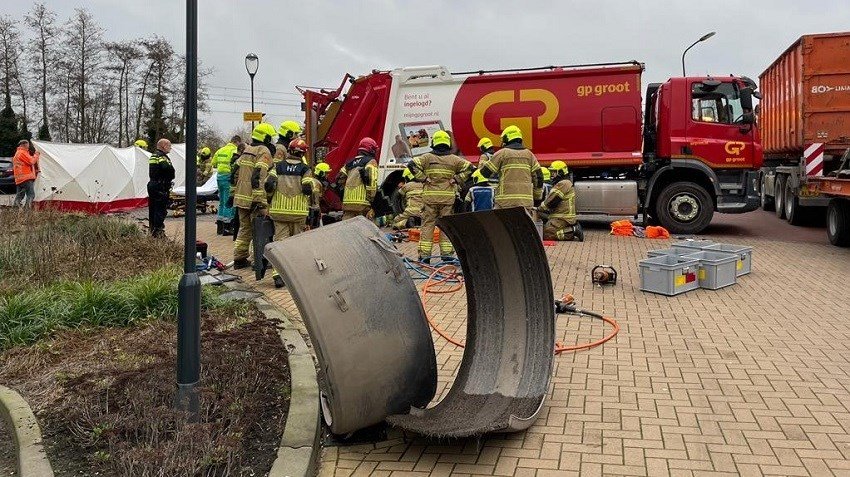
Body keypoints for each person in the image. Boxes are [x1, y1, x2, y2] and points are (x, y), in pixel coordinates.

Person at [407, 130, 472, 261]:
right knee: (446, 226)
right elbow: (470, 168)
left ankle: (425, 256)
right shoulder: (455, 159)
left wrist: (424, 178)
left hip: (430, 199)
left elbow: (411, 164)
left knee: (427, 225)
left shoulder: (427, 158)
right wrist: (457, 179)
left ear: (434, 142)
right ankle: (447, 256)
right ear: (447, 142)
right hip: (447, 199)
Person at [265, 138, 313, 288]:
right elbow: (307, 189)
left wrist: (269, 201)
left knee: (280, 243)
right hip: (298, 213)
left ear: (289, 151)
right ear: (303, 153)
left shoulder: (277, 167)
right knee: (295, 245)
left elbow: (268, 185)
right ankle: (295, 276)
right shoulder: (305, 169)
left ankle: (278, 276)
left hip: (279, 211)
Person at [232, 122, 276, 269]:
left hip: (241, 197)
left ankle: (239, 258)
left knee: (245, 229)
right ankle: (259, 260)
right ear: (267, 137)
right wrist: (259, 200)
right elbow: (258, 176)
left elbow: (234, 172)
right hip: (254, 199)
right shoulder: (263, 151)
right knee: (261, 230)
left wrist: (234, 193)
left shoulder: (247, 149)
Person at [479, 125, 543, 210]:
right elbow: (539, 177)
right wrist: (537, 198)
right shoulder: (530, 155)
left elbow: (485, 173)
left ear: (507, 138)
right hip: (526, 203)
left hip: (504, 203)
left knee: (499, 223)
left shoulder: (502, 153)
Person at [539, 160, 583, 242]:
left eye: (554, 172)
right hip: (561, 216)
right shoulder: (564, 183)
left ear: (561, 172)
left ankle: (573, 230)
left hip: (563, 218)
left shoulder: (563, 183)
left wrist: (539, 208)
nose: (552, 175)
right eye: (551, 172)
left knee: (546, 235)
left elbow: (552, 202)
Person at [338, 137, 379, 220]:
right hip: (363, 204)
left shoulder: (349, 163)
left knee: (347, 230)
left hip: (347, 204)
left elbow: (339, 180)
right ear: (371, 149)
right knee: (366, 231)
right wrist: (372, 201)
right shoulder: (371, 161)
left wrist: (344, 196)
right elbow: (372, 182)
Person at [212, 135, 242, 234]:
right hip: (229, 177)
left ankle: (220, 227)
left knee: (221, 201)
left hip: (219, 177)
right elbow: (236, 164)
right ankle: (227, 227)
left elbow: (214, 163)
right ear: (237, 142)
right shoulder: (234, 150)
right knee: (228, 202)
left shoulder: (220, 150)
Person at [147, 139, 175, 237]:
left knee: (153, 209)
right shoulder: (161, 156)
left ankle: (153, 230)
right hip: (160, 187)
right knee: (160, 210)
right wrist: (171, 171)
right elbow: (167, 168)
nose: (170, 148)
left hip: (154, 185)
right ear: (163, 146)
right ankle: (158, 232)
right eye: (169, 146)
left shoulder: (154, 155)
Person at [12, 140, 39, 208]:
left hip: (19, 179)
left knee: (20, 196)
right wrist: (36, 155)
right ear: (24, 145)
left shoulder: (17, 153)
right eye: (27, 145)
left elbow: (25, 165)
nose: (28, 146)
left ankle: (14, 210)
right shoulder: (22, 152)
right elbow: (31, 161)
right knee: (31, 195)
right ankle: (27, 210)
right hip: (26, 178)